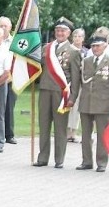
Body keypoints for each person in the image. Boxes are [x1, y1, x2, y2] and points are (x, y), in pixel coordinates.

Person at [33, 17, 81, 168]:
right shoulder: (47, 48)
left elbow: (75, 77)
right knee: (44, 125)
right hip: (45, 90)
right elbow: (38, 67)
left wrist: (72, 97)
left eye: (63, 30)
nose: (60, 33)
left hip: (61, 93)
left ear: (69, 33)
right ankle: (42, 158)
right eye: (58, 30)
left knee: (60, 128)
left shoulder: (73, 52)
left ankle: (59, 159)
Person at [77, 34, 109, 172]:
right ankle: (86, 161)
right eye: (93, 46)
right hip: (86, 102)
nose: (95, 48)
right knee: (85, 135)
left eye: (98, 46)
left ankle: (102, 162)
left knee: (102, 135)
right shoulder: (86, 61)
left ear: (105, 46)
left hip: (103, 104)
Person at [67, 28, 87, 143]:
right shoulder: (68, 50)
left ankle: (73, 132)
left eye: (79, 36)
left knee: (76, 108)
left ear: (83, 38)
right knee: (67, 106)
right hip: (69, 82)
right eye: (75, 36)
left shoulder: (86, 52)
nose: (77, 38)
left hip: (80, 83)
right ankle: (66, 131)